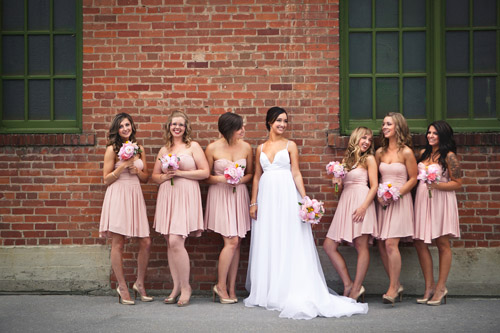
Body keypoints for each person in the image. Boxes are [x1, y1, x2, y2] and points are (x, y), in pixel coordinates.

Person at [244, 107, 368, 320]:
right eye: (278, 121)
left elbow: (296, 172)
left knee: (289, 237)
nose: (282, 124)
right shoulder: (260, 148)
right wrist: (253, 202)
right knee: (269, 238)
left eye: (285, 121)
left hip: (286, 194)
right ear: (269, 122)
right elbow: (256, 176)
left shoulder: (290, 145)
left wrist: (304, 200)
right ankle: (268, 289)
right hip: (266, 196)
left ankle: (289, 287)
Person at [152, 111, 209, 307]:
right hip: (168, 196)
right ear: (169, 127)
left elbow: (205, 172)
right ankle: (175, 286)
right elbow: (154, 177)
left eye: (181, 125)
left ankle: (186, 287)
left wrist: (181, 173)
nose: (177, 127)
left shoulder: (192, 147)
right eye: (174, 124)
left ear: (186, 128)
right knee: (170, 241)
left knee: (176, 240)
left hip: (186, 195)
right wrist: (165, 177)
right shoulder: (163, 150)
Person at [99, 113, 153, 305]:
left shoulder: (140, 149)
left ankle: (139, 283)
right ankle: (122, 286)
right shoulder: (111, 149)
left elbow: (146, 178)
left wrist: (136, 170)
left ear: (132, 126)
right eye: (121, 126)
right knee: (119, 243)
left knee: (145, 241)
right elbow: (106, 179)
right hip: (118, 195)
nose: (125, 128)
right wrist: (123, 167)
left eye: (127, 125)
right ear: (116, 129)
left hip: (135, 195)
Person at [323, 127, 378, 302]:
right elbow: (338, 190)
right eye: (364, 138)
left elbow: (375, 186)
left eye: (369, 140)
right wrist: (336, 182)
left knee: (361, 246)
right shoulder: (346, 160)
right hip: (346, 202)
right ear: (355, 138)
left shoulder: (369, 159)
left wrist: (363, 207)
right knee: (329, 245)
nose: (367, 142)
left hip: (362, 201)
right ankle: (347, 283)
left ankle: (356, 288)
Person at [204, 112, 253, 304]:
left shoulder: (247, 147)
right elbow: (206, 176)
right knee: (231, 241)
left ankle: (232, 288)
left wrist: (239, 180)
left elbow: (251, 174)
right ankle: (220, 285)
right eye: (239, 128)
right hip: (220, 195)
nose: (243, 131)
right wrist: (224, 178)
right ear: (229, 129)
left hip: (239, 194)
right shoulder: (212, 148)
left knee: (237, 242)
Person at [413, 121, 462, 306]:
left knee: (442, 242)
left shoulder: (449, 157)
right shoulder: (423, 154)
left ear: (443, 135)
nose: (430, 136)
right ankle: (429, 286)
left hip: (441, 200)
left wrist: (437, 185)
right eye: (429, 132)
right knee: (419, 241)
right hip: (423, 200)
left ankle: (441, 287)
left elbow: (457, 183)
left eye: (435, 133)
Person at [375, 112, 417, 306]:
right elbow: (373, 179)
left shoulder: (406, 152)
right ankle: (397, 283)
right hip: (383, 202)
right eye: (383, 124)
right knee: (382, 244)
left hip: (400, 201)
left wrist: (397, 194)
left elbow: (413, 178)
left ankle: (392, 288)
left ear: (398, 127)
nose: (384, 127)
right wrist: (380, 196)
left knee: (391, 243)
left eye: (388, 124)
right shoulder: (380, 153)